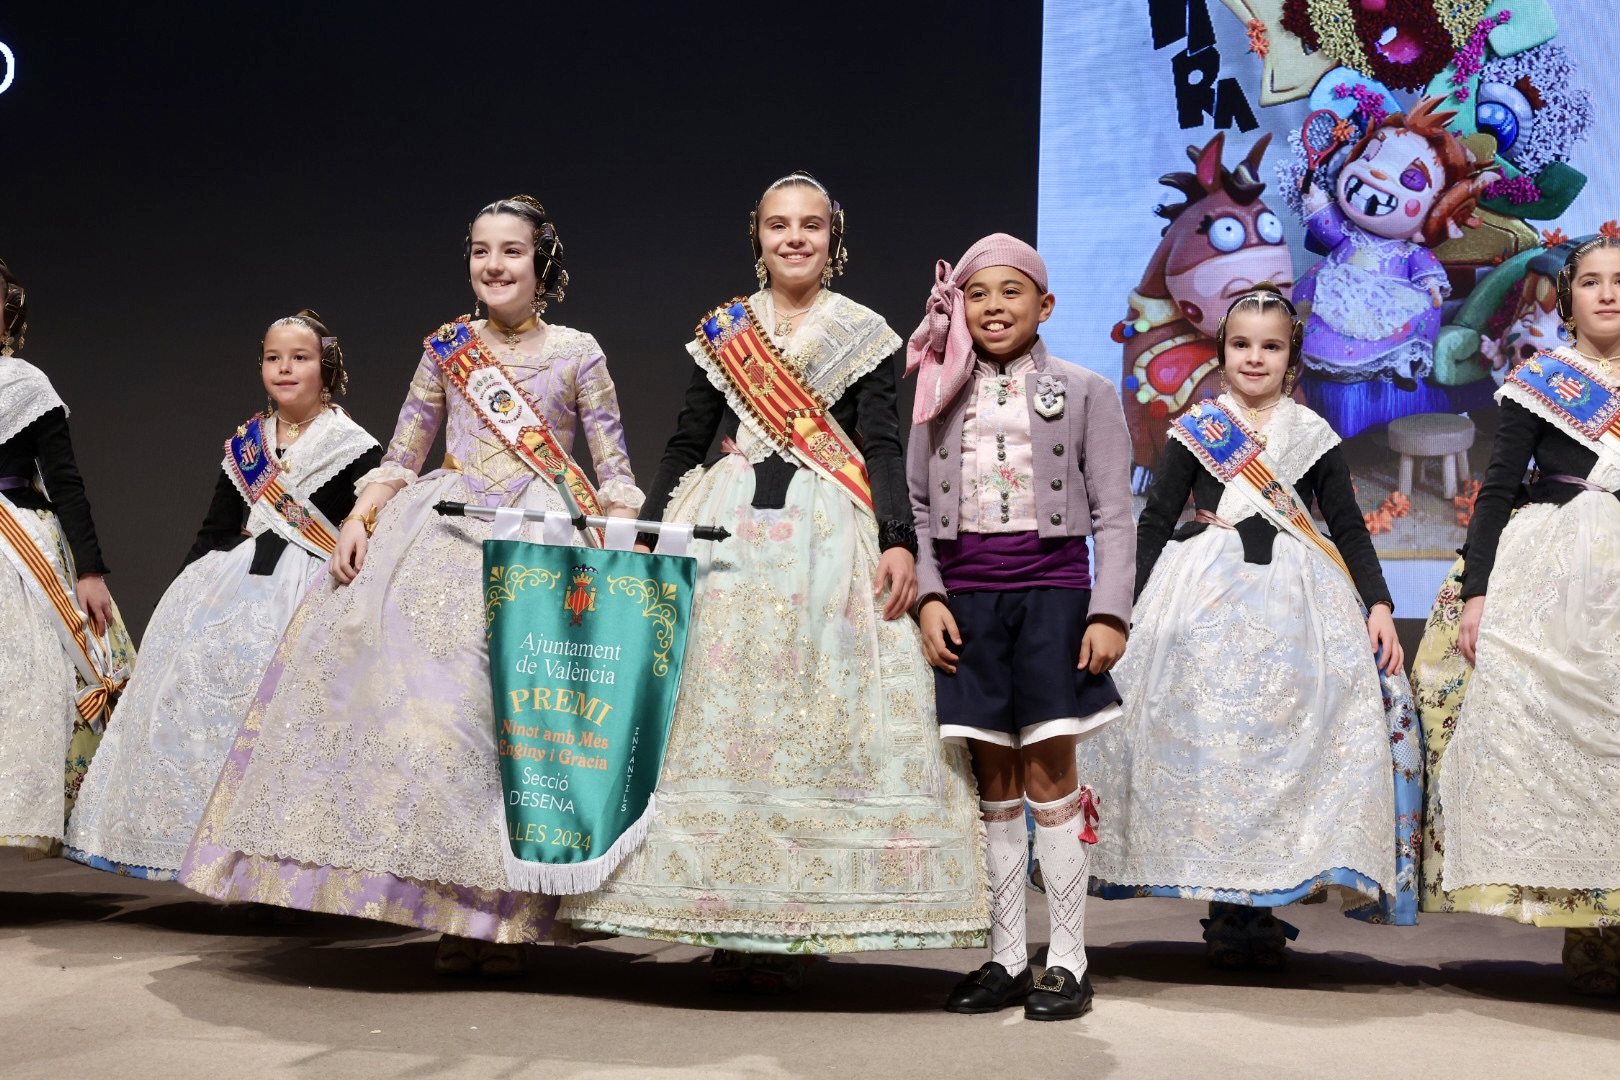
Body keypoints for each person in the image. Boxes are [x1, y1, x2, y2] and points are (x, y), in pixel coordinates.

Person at [180, 197, 642, 976]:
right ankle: (458, 918)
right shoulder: (446, 348)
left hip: (540, 545)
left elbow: (615, 471)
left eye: (511, 251)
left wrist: (617, 535)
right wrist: (361, 518)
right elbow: (402, 454)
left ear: (542, 263)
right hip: (447, 538)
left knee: (524, 736)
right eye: (481, 250)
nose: (494, 265)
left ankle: (515, 919)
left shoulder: (579, 353)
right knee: (439, 734)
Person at [560, 173, 987, 991]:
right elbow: (687, 442)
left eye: (811, 226)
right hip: (724, 536)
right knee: (719, 712)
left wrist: (898, 540)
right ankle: (725, 916)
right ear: (756, 237)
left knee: (818, 712)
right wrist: (648, 535)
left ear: (834, 238)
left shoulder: (863, 330)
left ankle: (805, 917)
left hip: (828, 537)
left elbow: (881, 446)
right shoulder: (724, 331)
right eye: (779, 225)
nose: (795, 238)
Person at [1079, 284, 1420, 970]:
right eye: (1241, 344)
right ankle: (1223, 903)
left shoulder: (1312, 434)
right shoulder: (1196, 429)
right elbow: (1153, 522)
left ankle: (1262, 903)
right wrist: (1116, 607)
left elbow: (1348, 527)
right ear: (1221, 351)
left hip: (1297, 603)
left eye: (1271, 346)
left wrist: (1380, 605)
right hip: (1200, 598)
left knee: (1280, 744)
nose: (1255, 358)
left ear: (1293, 358)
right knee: (1211, 742)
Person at [907, 234, 1134, 1021]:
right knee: (994, 780)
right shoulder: (936, 392)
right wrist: (930, 596)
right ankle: (1007, 955)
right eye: (977, 294)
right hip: (968, 602)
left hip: (1053, 599)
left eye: (1011, 292)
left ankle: (1067, 960)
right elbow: (919, 509)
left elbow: (1115, 512)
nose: (994, 307)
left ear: (1046, 305)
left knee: (1048, 773)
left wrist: (1108, 611)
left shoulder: (1086, 390)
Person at [65, 311, 380, 879]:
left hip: (313, 591)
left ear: (327, 369)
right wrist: (181, 599)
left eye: (300, 358)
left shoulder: (355, 447)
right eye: (273, 358)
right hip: (235, 588)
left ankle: (282, 865)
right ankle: (208, 853)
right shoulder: (245, 446)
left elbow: (370, 529)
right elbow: (215, 529)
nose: (285, 369)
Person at [1431, 235, 1620, 996]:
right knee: (1562, 740)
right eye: (1591, 282)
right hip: (1554, 573)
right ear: (1566, 298)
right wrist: (1476, 593)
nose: (1608, 293)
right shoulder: (1541, 381)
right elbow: (1498, 491)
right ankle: (1589, 928)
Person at [0, 257, 134, 852]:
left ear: (8, 312)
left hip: (20, 550)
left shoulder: (27, 386)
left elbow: (66, 482)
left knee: (29, 688)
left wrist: (90, 569)